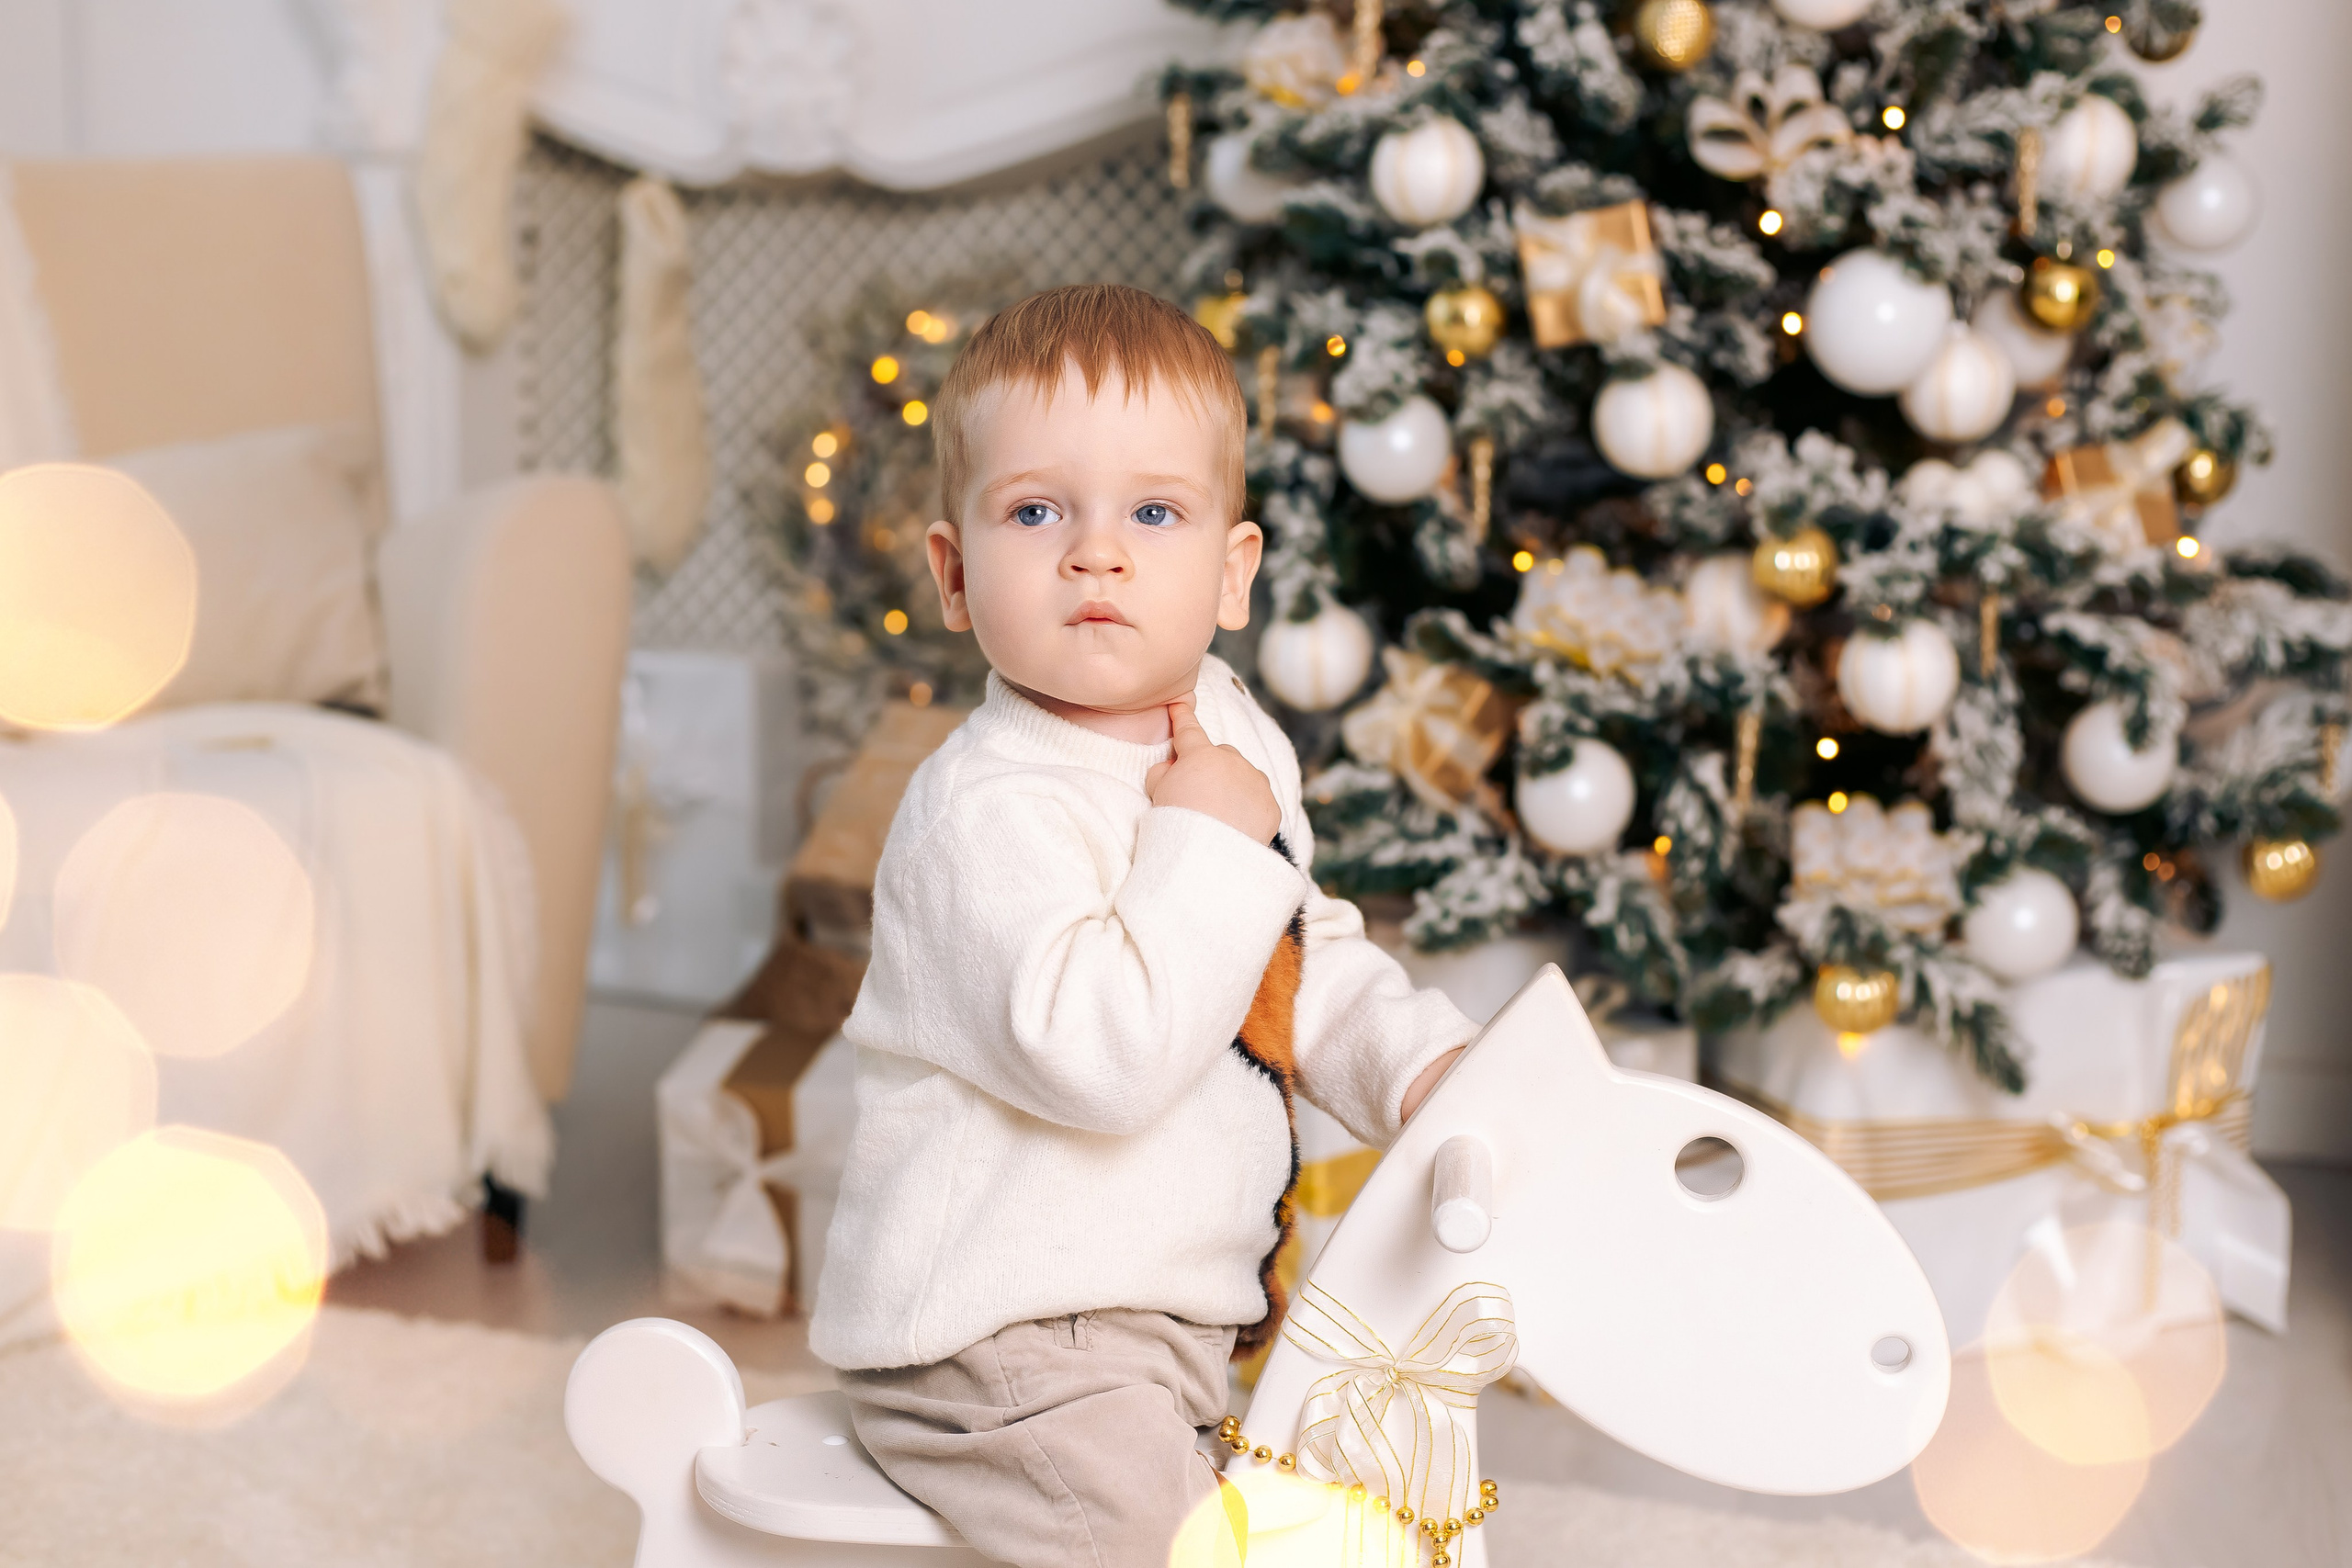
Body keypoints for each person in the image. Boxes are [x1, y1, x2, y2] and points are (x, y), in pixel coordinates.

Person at [810, 282, 1476, 1567]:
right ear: (954, 574)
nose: (1095, 553)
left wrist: (1417, 1067)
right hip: (1000, 1338)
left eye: (1154, 513)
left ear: (1231, 574)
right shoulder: (982, 813)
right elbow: (1101, 1059)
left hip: (1161, 1323)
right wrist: (1208, 841)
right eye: (1037, 510)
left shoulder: (1229, 735)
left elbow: (1291, 960)